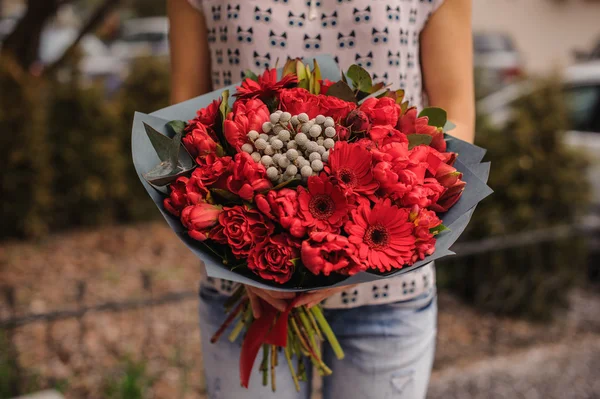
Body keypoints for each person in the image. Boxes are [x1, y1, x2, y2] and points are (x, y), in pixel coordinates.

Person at [167, 0, 474, 397]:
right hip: (249, 291)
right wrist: (245, 249)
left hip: (388, 294)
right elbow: (183, 130)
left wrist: (362, 246)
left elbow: (455, 119)